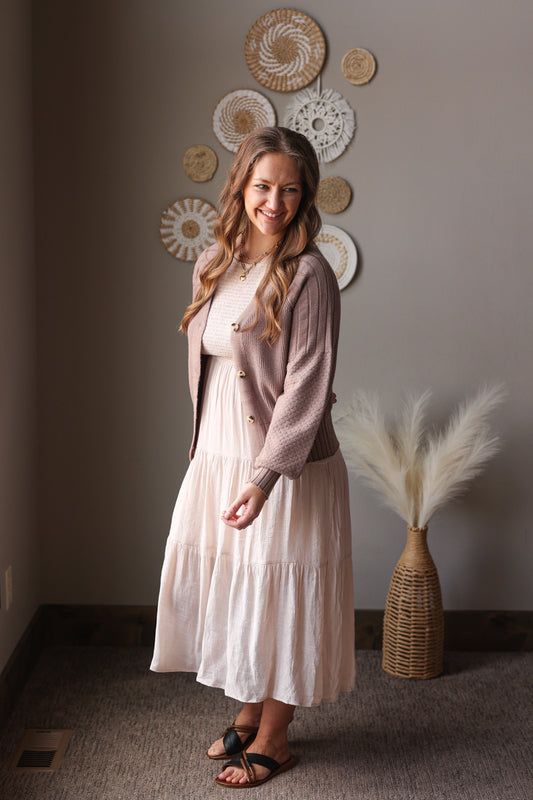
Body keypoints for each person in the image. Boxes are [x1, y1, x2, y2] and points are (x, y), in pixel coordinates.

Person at [151, 126, 355, 788]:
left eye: (290, 190)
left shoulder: (308, 274)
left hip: (283, 462)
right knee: (240, 586)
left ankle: (275, 735)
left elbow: (307, 385)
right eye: (263, 186)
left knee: (279, 590)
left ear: (305, 196)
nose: (275, 202)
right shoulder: (214, 260)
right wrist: (220, 459)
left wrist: (265, 478)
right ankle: (248, 706)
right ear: (240, 185)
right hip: (216, 449)